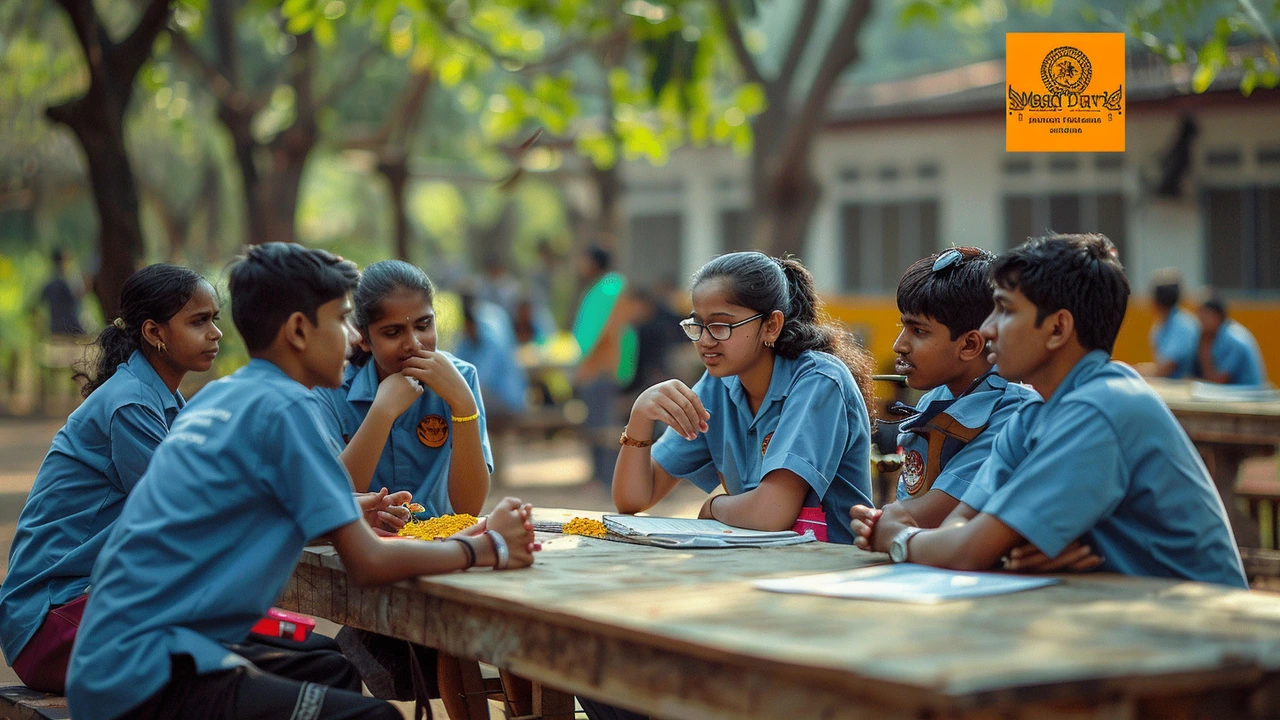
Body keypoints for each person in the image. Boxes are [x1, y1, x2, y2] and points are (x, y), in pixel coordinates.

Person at [66, 242, 538, 720]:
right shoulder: (290, 410)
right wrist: (487, 548)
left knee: (328, 670)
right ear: (298, 330)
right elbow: (368, 562)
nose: (354, 338)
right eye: (343, 320)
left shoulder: (223, 395)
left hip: (111, 656)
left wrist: (349, 508)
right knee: (378, 717)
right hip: (151, 673)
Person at [855, 233, 1246, 588]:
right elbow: (960, 528)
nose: (988, 330)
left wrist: (901, 541)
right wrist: (1002, 549)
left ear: (1058, 329)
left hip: (1204, 630)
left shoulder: (1102, 408)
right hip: (1122, 610)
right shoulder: (1033, 415)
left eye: (1005, 311)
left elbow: (966, 548)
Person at [0, 264, 222, 694]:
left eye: (215, 319)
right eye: (199, 321)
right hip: (53, 623)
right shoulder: (132, 404)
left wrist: (338, 503)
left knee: (271, 653)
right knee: (240, 666)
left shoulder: (163, 402)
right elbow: (185, 514)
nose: (214, 333)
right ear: (155, 332)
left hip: (84, 609)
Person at [611, 252, 876, 543]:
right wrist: (640, 415)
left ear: (771, 326)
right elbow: (633, 498)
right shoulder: (719, 385)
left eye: (722, 326)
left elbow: (771, 513)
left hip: (831, 569)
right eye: (697, 325)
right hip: (758, 565)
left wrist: (713, 507)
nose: (705, 340)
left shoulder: (818, 382)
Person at [850, 248, 1039, 542]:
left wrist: (878, 522)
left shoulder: (1011, 412)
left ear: (969, 345)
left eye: (919, 331)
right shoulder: (932, 400)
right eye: (904, 327)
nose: (899, 345)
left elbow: (935, 512)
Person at [313, 260, 492, 514]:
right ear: (363, 338)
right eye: (393, 332)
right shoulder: (331, 391)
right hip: (362, 547)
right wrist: (382, 412)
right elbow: (330, 501)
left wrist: (463, 404)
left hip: (443, 545)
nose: (413, 344)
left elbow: (469, 508)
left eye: (423, 325)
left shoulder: (462, 378)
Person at [572, 245, 638, 486]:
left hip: (602, 368)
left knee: (604, 426)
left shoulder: (610, 288)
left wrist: (587, 365)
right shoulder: (602, 288)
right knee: (596, 423)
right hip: (595, 368)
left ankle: (607, 477)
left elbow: (604, 331)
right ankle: (599, 475)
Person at [1195, 295, 1268, 386]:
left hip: (1250, 394)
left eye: (1204, 317)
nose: (1201, 323)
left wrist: (1204, 349)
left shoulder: (1233, 339)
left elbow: (1218, 382)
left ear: (1217, 316)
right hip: (1236, 392)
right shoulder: (1219, 335)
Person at [1145, 268, 1199, 379]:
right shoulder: (1161, 325)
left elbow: (1165, 369)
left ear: (1155, 301)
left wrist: (1135, 374)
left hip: (1185, 389)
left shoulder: (1183, 325)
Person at [38, 248, 85, 336]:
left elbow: (35, 305)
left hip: (55, 329)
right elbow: (77, 297)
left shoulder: (49, 284)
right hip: (72, 328)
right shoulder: (67, 283)